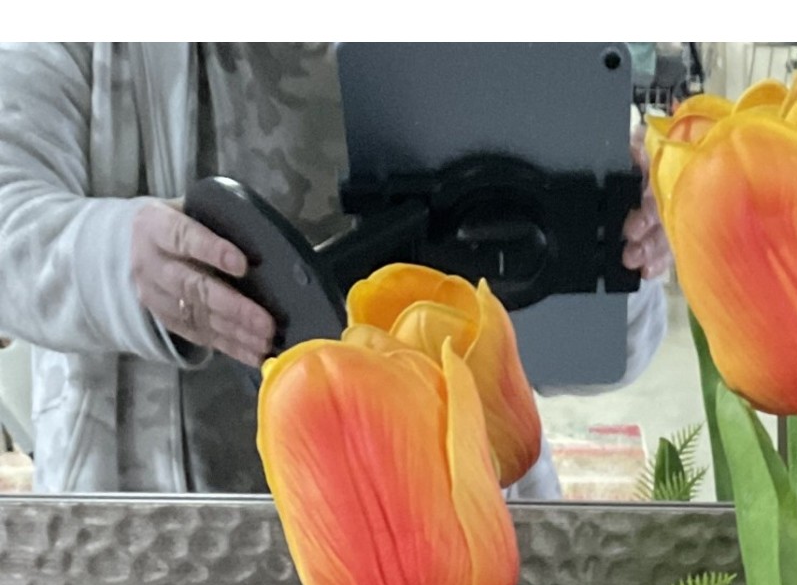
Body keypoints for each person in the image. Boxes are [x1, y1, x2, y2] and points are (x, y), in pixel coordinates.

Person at [0, 43, 669, 494]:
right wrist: (120, 258)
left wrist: (623, 237)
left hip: (442, 518)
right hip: (175, 541)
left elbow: (596, 351)